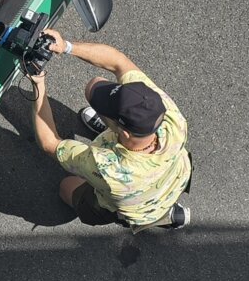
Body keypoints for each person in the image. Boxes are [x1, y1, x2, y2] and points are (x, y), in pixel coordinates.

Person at [30, 31, 191, 230]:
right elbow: (118, 61)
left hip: (127, 200)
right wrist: (66, 46)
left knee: (67, 187)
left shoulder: (109, 169)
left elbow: (50, 144)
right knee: (94, 88)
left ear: (125, 132)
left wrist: (38, 84)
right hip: (174, 178)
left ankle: (160, 217)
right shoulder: (169, 116)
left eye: (107, 114)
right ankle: (168, 213)